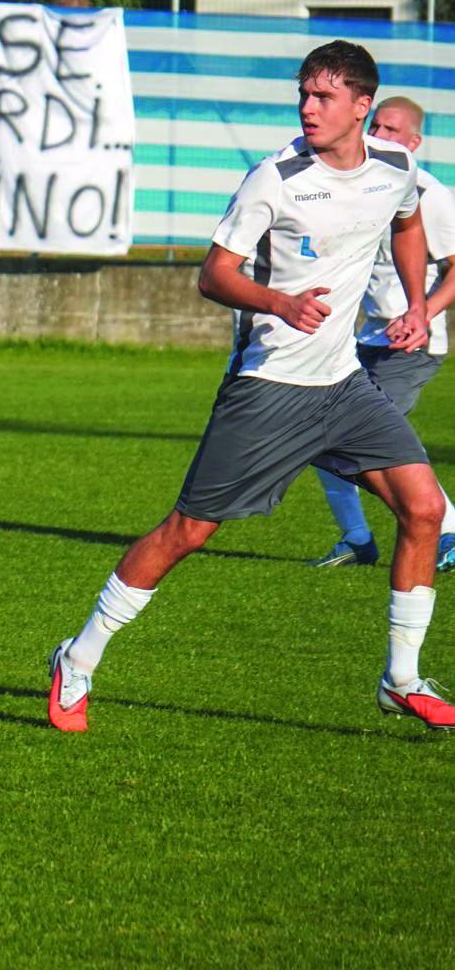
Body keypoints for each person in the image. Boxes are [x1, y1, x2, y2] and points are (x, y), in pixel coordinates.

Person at [48, 41, 455, 733]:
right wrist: (279, 303)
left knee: (426, 511)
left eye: (323, 96)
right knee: (189, 531)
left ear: (362, 105)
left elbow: (408, 220)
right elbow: (214, 275)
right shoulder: (275, 176)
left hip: (344, 386)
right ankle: (77, 660)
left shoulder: (396, 167)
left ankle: (402, 678)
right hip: (269, 387)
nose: (306, 107)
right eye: (302, 93)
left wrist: (416, 304)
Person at [307, 94, 455, 570]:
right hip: (363, 343)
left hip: (410, 347)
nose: (380, 135)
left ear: (414, 141)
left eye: (392, 130)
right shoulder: (367, 184)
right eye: (377, 125)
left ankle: (447, 529)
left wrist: (422, 313)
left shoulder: (427, 193)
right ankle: (357, 539)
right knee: (317, 434)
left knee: (369, 441)